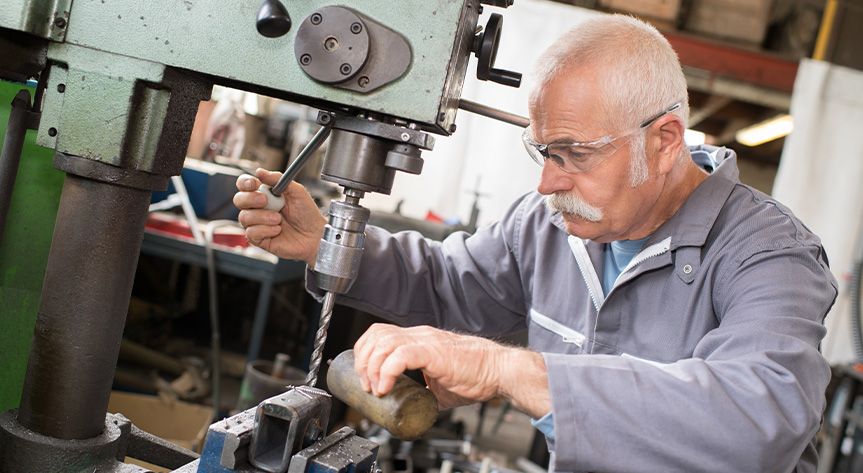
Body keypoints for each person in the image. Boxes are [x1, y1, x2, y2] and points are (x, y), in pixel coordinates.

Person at [234, 14, 837, 473]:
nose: (548, 182)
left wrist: (505, 368)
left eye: (574, 154)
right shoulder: (549, 224)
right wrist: (326, 245)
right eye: (544, 152)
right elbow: (447, 284)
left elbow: (761, 416)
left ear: (665, 142)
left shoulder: (769, 255)